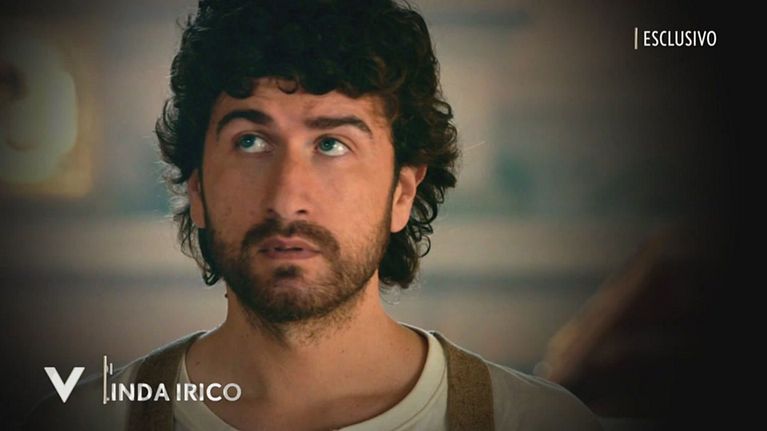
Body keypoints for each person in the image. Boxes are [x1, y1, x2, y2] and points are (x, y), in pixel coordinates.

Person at [27, 1, 603, 429]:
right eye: (251, 141)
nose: (286, 199)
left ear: (402, 192)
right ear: (196, 187)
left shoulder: (533, 421)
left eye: (331, 144)